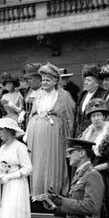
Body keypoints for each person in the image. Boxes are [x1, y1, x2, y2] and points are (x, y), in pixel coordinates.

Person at [26, 63, 76, 197]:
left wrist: (68, 139)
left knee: (52, 162)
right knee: (39, 162)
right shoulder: (39, 96)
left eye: (48, 80)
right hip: (37, 135)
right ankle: (38, 191)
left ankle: (53, 192)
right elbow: (33, 114)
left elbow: (68, 119)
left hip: (54, 134)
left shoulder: (63, 96)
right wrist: (28, 132)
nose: (45, 83)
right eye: (43, 80)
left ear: (55, 81)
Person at [74, 65, 107, 137]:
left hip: (95, 133)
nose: (86, 82)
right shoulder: (82, 95)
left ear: (97, 83)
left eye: (89, 80)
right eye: (85, 80)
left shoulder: (103, 94)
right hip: (80, 133)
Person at [19, 63, 42, 127]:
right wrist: (22, 112)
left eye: (31, 79)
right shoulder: (28, 91)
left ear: (39, 79)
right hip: (27, 122)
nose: (29, 81)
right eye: (27, 79)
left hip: (39, 122)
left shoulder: (44, 91)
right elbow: (24, 106)